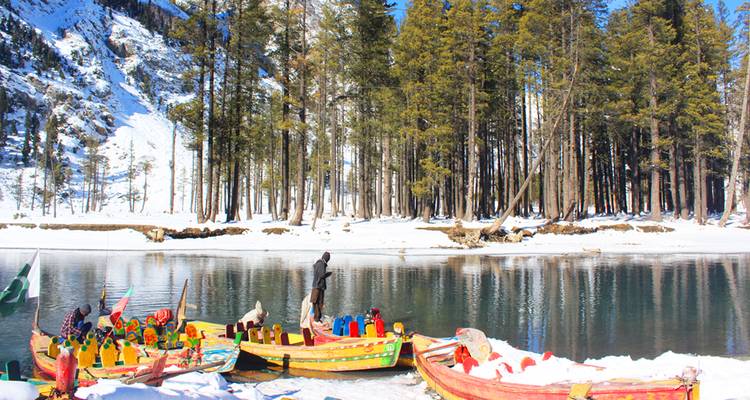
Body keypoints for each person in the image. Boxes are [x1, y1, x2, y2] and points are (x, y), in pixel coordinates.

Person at [310, 252, 332, 323]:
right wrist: (328, 274)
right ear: (327, 258)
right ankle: (317, 319)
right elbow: (322, 275)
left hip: (316, 286)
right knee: (318, 302)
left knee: (316, 302)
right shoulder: (322, 264)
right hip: (319, 286)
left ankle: (317, 318)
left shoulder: (318, 263)